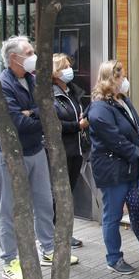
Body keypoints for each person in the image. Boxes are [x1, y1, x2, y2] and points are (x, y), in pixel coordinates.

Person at [0, 36, 78, 279]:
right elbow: (15, 122)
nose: (34, 56)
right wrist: (34, 115)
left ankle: (49, 250)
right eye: (29, 52)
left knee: (43, 201)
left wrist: (33, 113)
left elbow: (50, 109)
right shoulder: (2, 83)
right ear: (14, 58)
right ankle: (10, 259)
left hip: (34, 148)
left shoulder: (33, 79)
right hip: (9, 152)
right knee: (10, 208)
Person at [87, 60, 139, 274]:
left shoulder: (122, 99)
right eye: (121, 76)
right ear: (110, 79)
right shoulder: (99, 108)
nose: (125, 80)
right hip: (113, 171)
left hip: (130, 167)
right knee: (113, 215)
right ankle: (114, 258)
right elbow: (114, 140)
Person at [51, 54, 87, 249]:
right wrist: (78, 125)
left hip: (77, 149)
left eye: (68, 66)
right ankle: (57, 232)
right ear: (55, 73)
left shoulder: (73, 91)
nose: (68, 70)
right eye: (63, 67)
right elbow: (53, 124)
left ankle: (64, 232)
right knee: (59, 194)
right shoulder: (50, 94)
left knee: (68, 192)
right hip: (61, 150)